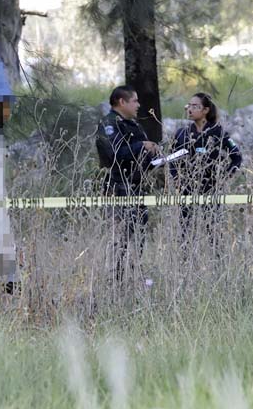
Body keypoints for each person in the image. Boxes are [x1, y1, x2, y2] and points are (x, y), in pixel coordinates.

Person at [96, 85, 159, 281]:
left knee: (138, 235)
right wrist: (141, 146)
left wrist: (154, 157)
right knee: (120, 237)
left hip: (137, 187)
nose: (138, 105)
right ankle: (116, 279)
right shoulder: (109, 124)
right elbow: (113, 154)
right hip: (118, 189)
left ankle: (134, 275)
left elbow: (141, 159)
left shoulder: (134, 126)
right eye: (135, 101)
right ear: (122, 102)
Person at [171, 92, 242, 254]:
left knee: (213, 233)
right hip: (186, 190)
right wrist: (176, 178)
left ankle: (216, 266)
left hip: (211, 188)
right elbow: (172, 159)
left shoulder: (218, 133)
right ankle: (185, 269)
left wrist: (225, 176)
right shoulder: (181, 133)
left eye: (195, 106)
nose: (190, 109)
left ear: (205, 110)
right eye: (188, 105)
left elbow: (236, 157)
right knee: (186, 233)